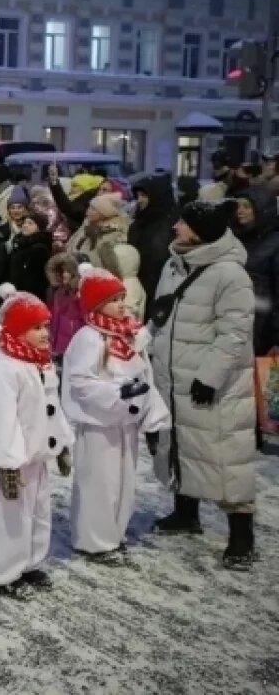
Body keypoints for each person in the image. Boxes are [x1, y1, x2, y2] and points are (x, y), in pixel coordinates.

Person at [151, 200, 259, 570]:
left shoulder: (230, 274)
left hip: (212, 382)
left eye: (183, 222)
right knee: (180, 444)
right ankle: (186, 513)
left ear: (201, 231)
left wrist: (210, 377)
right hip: (173, 375)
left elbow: (235, 334)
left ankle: (242, 535)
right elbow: (162, 316)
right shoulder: (173, 264)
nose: (176, 227)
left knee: (225, 455)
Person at [63, 265, 170, 565]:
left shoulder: (123, 331)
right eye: (113, 300)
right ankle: (93, 541)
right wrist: (117, 393)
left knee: (123, 481)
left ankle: (113, 533)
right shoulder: (89, 337)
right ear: (96, 304)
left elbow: (137, 355)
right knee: (99, 482)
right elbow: (81, 381)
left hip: (125, 421)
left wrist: (153, 325)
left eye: (122, 298)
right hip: (100, 423)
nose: (122, 304)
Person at [0, 287, 74, 598]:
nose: (45, 333)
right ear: (16, 329)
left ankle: (29, 562)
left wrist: (61, 443)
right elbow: (0, 419)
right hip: (13, 460)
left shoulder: (39, 363)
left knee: (38, 511)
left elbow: (52, 406)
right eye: (36, 327)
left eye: (45, 326)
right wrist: (7, 463)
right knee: (8, 515)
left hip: (36, 455)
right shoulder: (3, 369)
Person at [231, 187, 279, 355]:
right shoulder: (234, 239)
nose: (240, 211)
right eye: (237, 206)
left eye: (246, 206)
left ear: (262, 209)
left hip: (262, 330)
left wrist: (277, 338)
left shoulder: (275, 243)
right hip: (235, 324)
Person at [127, 173, 177, 314]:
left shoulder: (173, 225)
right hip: (138, 288)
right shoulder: (137, 223)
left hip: (161, 291)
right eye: (138, 196)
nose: (139, 200)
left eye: (144, 195)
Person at [7, 210, 52, 301]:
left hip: (30, 298)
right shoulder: (19, 243)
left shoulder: (40, 249)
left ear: (39, 228)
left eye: (30, 223)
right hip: (15, 294)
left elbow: (34, 281)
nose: (25, 225)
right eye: (24, 223)